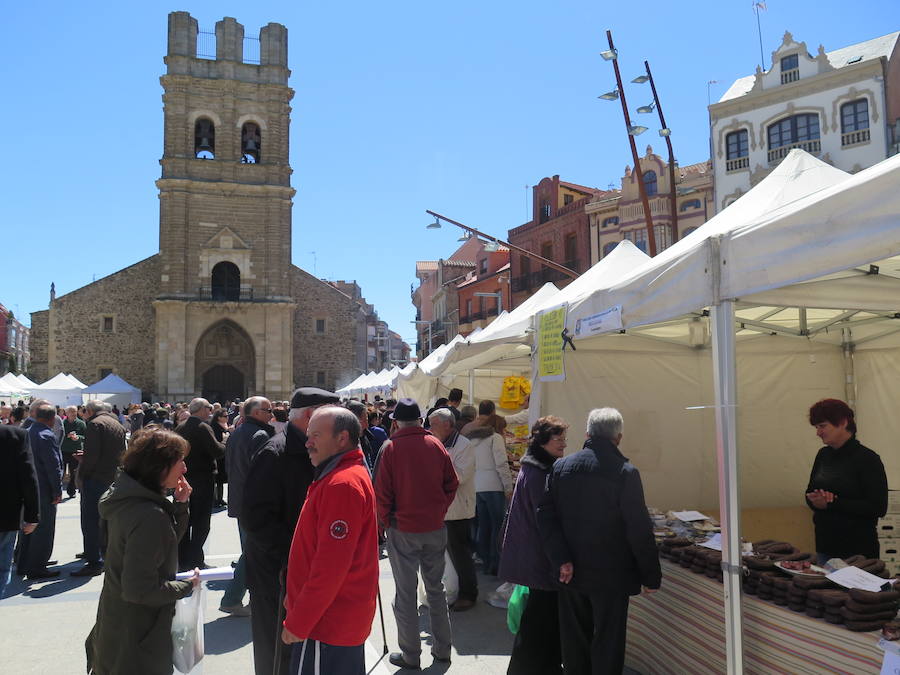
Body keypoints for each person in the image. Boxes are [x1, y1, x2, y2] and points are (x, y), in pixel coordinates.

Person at [537, 407, 660, 675]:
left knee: (574, 639)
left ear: (587, 433)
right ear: (618, 437)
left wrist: (561, 559)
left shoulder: (561, 466)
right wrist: (650, 576)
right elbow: (638, 529)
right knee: (608, 641)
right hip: (612, 574)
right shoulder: (625, 472)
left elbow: (546, 517)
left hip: (572, 571)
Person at [85, 427, 200, 674]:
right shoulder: (149, 514)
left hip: (118, 622)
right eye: (181, 461)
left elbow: (161, 544)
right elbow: (140, 590)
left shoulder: (126, 497)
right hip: (138, 635)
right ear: (160, 466)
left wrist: (179, 506)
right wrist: (187, 585)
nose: (185, 469)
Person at [242, 386, 339, 675]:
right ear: (310, 415)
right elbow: (255, 518)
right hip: (277, 570)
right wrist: (294, 552)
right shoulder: (275, 453)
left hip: (303, 568)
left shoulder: (319, 450)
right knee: (278, 649)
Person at [281, 407, 379, 674]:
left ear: (342, 438)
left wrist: (300, 621)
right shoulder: (340, 476)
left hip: (327, 624)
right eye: (308, 434)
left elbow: (330, 568)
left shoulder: (342, 484)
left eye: (316, 435)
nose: (308, 442)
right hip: (331, 620)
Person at [374, 398, 458, 670]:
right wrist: (439, 509)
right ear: (420, 420)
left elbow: (382, 493)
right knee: (436, 591)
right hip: (433, 527)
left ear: (395, 421)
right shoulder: (435, 444)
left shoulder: (391, 447)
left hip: (403, 529)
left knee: (406, 594)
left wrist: (386, 522)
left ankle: (411, 655)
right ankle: (442, 651)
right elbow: (451, 483)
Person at [500, 416, 568, 675]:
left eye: (563, 438)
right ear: (543, 441)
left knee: (542, 619)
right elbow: (546, 522)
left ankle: (544, 667)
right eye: (558, 438)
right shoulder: (540, 472)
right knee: (538, 621)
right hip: (540, 557)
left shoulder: (536, 467)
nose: (563, 443)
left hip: (535, 555)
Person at [805, 398, 888, 562]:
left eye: (822, 426)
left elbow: (878, 507)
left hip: (858, 552)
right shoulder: (823, 455)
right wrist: (815, 500)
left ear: (842, 423)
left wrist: (832, 502)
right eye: (816, 427)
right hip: (825, 548)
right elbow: (809, 492)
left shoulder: (867, 459)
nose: (818, 432)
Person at [220, 396, 275, 617]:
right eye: (268, 410)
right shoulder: (260, 435)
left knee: (251, 551)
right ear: (256, 412)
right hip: (255, 504)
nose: (272, 413)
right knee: (254, 552)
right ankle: (234, 598)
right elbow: (263, 473)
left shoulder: (238, 433)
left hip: (241, 500)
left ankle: (239, 599)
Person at [428, 407, 478, 611]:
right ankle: (453, 591)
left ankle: (469, 593)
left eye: (434, 424)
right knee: (446, 554)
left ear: (447, 425)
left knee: (460, 553)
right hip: (442, 508)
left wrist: (432, 476)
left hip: (458, 509)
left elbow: (461, 476)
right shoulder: (438, 443)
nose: (430, 428)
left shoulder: (464, 445)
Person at [73, 400, 125, 577]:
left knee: (90, 520)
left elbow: (93, 455)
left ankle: (94, 560)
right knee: (107, 520)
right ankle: (101, 553)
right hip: (111, 477)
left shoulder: (95, 424)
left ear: (89, 411)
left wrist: (83, 472)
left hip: (96, 478)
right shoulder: (116, 423)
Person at [462, 400, 513, 576]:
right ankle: (495, 562)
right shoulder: (495, 438)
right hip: (493, 486)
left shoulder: (473, 440)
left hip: (477, 486)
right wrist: (508, 487)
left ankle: (484, 559)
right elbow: (501, 464)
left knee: (484, 525)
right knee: (497, 526)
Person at [175, 398, 225, 570]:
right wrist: (226, 440)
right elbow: (217, 451)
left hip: (184, 478)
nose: (210, 410)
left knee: (184, 520)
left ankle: (183, 559)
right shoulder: (202, 427)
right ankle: (196, 559)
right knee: (201, 523)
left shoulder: (181, 427)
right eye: (208, 407)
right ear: (201, 409)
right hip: (203, 479)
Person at [0, 423, 39, 597]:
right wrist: (33, 515)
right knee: (2, 568)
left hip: (6, 515)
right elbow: (28, 476)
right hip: (6, 514)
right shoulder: (15, 435)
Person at [61, 405, 86, 498]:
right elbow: (58, 436)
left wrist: (78, 437)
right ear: (66, 413)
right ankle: (58, 492)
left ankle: (71, 491)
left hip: (75, 451)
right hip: (63, 450)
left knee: (73, 472)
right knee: (61, 472)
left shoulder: (81, 423)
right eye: (71, 411)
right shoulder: (63, 423)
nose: (73, 413)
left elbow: (86, 436)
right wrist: (66, 436)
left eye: (75, 411)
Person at [210, 409, 230, 507]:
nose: (227, 417)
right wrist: (225, 439)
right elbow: (217, 441)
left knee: (221, 479)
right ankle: (215, 500)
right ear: (219, 418)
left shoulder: (225, 426)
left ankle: (220, 498)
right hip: (217, 456)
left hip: (223, 456)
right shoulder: (215, 427)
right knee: (216, 479)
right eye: (225, 416)